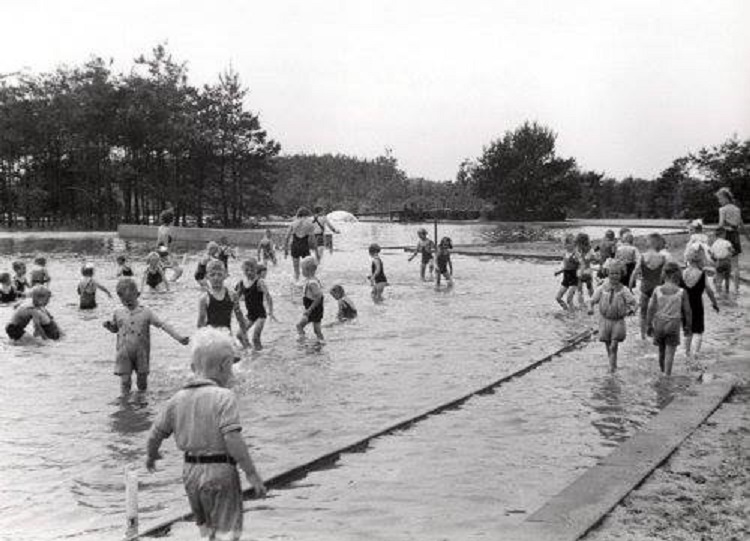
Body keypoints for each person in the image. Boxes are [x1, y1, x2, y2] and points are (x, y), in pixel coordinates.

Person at [145, 328, 266, 541]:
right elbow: (232, 439)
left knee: (207, 529)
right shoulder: (224, 397)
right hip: (220, 471)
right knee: (228, 531)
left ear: (192, 367)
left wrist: (151, 455)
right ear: (225, 366)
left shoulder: (176, 399)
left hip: (190, 472)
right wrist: (251, 473)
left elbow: (155, 434)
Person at [103, 278, 189, 393]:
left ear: (137, 294)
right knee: (125, 381)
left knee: (142, 382)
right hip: (123, 353)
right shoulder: (118, 313)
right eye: (123, 300)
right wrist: (110, 327)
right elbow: (115, 328)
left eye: (130, 299)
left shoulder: (146, 312)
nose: (127, 302)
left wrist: (179, 337)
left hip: (141, 352)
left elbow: (162, 325)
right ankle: (125, 406)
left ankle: (141, 402)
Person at [590, 261, 637, 372]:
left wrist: (632, 310)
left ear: (621, 275)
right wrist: (590, 308)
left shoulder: (624, 290)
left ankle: (611, 369)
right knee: (607, 344)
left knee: (614, 344)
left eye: (617, 274)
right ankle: (613, 365)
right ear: (608, 274)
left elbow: (634, 303)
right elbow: (592, 300)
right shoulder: (602, 288)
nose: (614, 276)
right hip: (605, 320)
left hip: (618, 321)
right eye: (612, 273)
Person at [647, 262, 692, 376]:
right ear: (676, 275)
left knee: (661, 351)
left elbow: (650, 308)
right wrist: (688, 326)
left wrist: (648, 325)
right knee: (670, 353)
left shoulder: (657, 290)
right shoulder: (682, 292)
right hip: (673, 324)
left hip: (659, 324)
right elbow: (687, 311)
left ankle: (662, 371)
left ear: (664, 275)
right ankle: (667, 376)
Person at [197, 260, 249, 348]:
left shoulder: (232, 295)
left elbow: (239, 317)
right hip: (211, 338)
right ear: (207, 277)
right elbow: (200, 323)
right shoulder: (204, 298)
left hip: (227, 336)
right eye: (212, 275)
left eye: (219, 274)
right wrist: (200, 341)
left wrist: (245, 336)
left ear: (225, 275)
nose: (216, 278)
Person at [682, 245, 719, 358]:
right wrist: (714, 303)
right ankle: (696, 354)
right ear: (701, 260)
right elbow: (709, 291)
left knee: (687, 330)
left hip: (684, 306)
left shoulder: (683, 273)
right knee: (698, 330)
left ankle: (686, 353)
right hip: (697, 305)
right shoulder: (702, 274)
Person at [630, 233, 667, 339]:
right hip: (657, 289)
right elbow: (664, 275)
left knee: (643, 313)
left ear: (650, 243)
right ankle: (655, 334)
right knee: (657, 313)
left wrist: (629, 287)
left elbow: (634, 272)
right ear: (657, 243)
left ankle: (642, 336)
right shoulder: (662, 258)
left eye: (646, 241)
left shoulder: (643, 256)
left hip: (645, 288)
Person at [236, 259, 274, 350]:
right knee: (239, 335)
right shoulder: (241, 283)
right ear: (243, 270)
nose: (249, 272)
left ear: (256, 270)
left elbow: (268, 296)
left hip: (260, 315)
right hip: (250, 315)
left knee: (255, 338)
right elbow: (236, 298)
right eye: (246, 270)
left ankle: (261, 356)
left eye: (252, 270)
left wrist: (271, 312)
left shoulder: (259, 282)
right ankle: (250, 351)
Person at [716, 187, 749, 293]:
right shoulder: (737, 209)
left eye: (720, 199)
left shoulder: (722, 209)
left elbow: (721, 225)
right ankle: (736, 288)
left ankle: (720, 288)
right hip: (735, 236)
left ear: (725, 198)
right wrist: (748, 238)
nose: (719, 201)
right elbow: (742, 226)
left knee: (721, 262)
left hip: (725, 237)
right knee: (735, 265)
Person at [297, 256, 325, 341]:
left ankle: (302, 340)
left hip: (313, 309)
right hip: (315, 308)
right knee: (317, 330)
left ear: (308, 270)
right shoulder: (312, 280)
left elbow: (319, 296)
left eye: (302, 269)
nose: (301, 271)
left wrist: (309, 309)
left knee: (299, 325)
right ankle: (321, 342)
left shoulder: (312, 283)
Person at [284, 207, 316, 281]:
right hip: (305, 246)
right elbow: (312, 239)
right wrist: (315, 249)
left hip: (295, 246)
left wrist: (285, 250)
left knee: (296, 271)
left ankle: (296, 285)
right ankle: (308, 284)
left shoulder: (293, 223)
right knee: (308, 269)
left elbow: (286, 237)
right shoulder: (310, 224)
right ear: (306, 215)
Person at [554, 234, 579, 310]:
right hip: (566, 278)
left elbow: (582, 265)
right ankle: (566, 310)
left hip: (574, 278)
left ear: (574, 244)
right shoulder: (565, 254)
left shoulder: (576, 254)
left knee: (569, 299)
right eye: (565, 243)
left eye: (568, 243)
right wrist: (559, 271)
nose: (565, 245)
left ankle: (572, 314)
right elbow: (566, 267)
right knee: (558, 297)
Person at [710, 226, 734, 295]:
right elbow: (732, 250)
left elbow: (712, 255)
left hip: (718, 262)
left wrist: (715, 261)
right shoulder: (727, 242)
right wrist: (731, 253)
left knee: (719, 278)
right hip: (727, 262)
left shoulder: (714, 244)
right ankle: (727, 291)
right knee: (727, 278)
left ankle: (718, 292)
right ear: (723, 234)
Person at [576, 233, 597, 308]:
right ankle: (581, 303)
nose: (578, 246)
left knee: (589, 286)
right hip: (580, 272)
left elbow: (594, 258)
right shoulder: (578, 250)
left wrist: (588, 259)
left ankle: (592, 301)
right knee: (580, 288)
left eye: (579, 244)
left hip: (586, 271)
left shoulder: (590, 250)